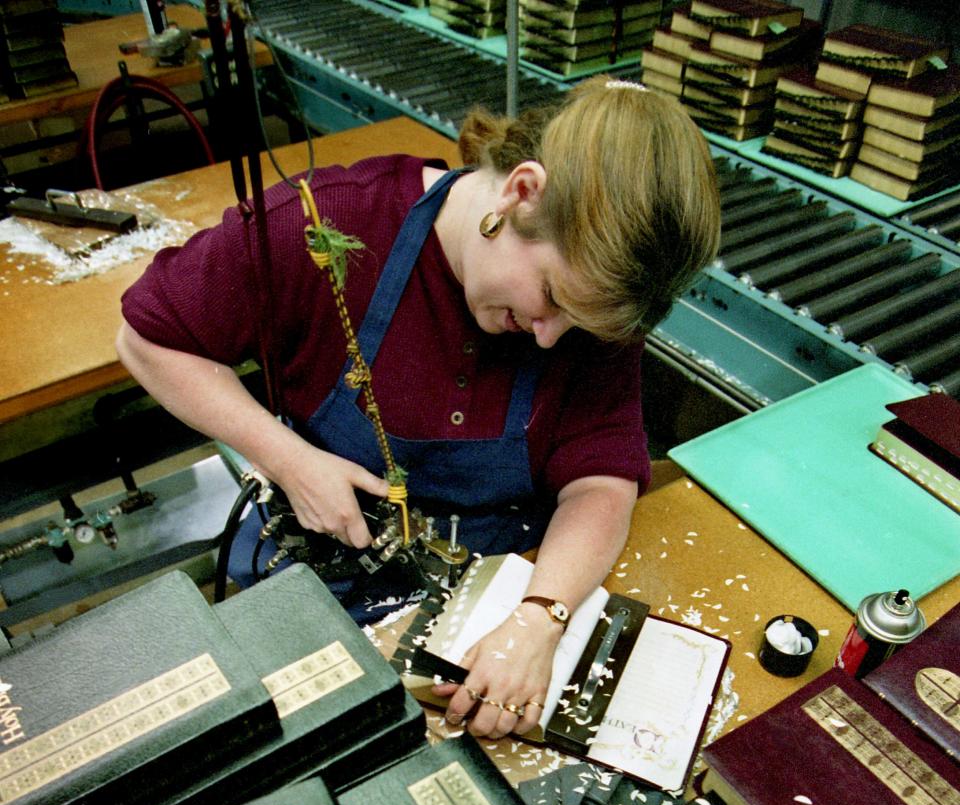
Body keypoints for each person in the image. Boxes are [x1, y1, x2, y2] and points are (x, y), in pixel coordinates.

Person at [116, 76, 720, 741]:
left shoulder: (589, 303)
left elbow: (600, 481)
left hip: (494, 598)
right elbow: (148, 339)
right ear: (522, 193)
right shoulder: (325, 226)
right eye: (550, 296)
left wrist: (539, 617)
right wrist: (287, 459)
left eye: (579, 327)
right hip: (328, 572)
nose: (550, 338)